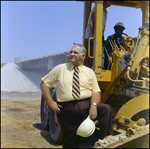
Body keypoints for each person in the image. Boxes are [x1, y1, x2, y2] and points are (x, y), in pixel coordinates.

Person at [40, 43, 113, 148]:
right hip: (67, 110)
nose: (71, 54)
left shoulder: (89, 72)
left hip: (86, 105)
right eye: (71, 52)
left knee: (106, 109)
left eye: (75, 52)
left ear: (83, 56)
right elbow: (44, 84)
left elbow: (96, 92)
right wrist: (51, 102)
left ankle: (105, 140)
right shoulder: (60, 69)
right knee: (70, 144)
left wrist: (93, 106)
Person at [85, 1, 112, 68]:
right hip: (92, 37)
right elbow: (91, 22)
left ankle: (100, 69)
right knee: (95, 57)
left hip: (99, 36)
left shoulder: (105, 12)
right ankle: (94, 72)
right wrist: (94, 36)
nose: (111, 1)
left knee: (101, 56)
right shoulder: (97, 8)